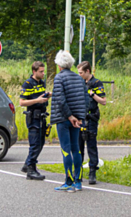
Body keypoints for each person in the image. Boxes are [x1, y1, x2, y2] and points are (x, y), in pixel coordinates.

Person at [49, 50, 89, 192]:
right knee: (76, 149)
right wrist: (80, 117)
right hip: (77, 119)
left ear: (59, 65)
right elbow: (86, 99)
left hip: (63, 118)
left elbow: (60, 99)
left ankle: (69, 181)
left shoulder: (59, 78)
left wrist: (69, 116)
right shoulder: (79, 79)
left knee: (66, 150)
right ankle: (78, 182)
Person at [18, 61, 49, 181]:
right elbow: (22, 102)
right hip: (33, 117)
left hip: (42, 116)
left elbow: (41, 96)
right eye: (41, 71)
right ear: (34, 71)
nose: (43, 73)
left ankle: (27, 164)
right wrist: (37, 100)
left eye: (43, 71)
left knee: (41, 143)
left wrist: (47, 95)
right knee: (35, 144)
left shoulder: (41, 83)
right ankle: (31, 170)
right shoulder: (28, 84)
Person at [78, 61, 107, 185]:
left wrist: (92, 94)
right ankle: (77, 172)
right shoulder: (80, 83)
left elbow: (103, 101)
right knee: (78, 146)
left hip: (91, 118)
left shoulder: (97, 83)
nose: (79, 75)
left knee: (91, 146)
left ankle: (92, 171)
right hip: (80, 118)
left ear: (88, 71)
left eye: (81, 73)